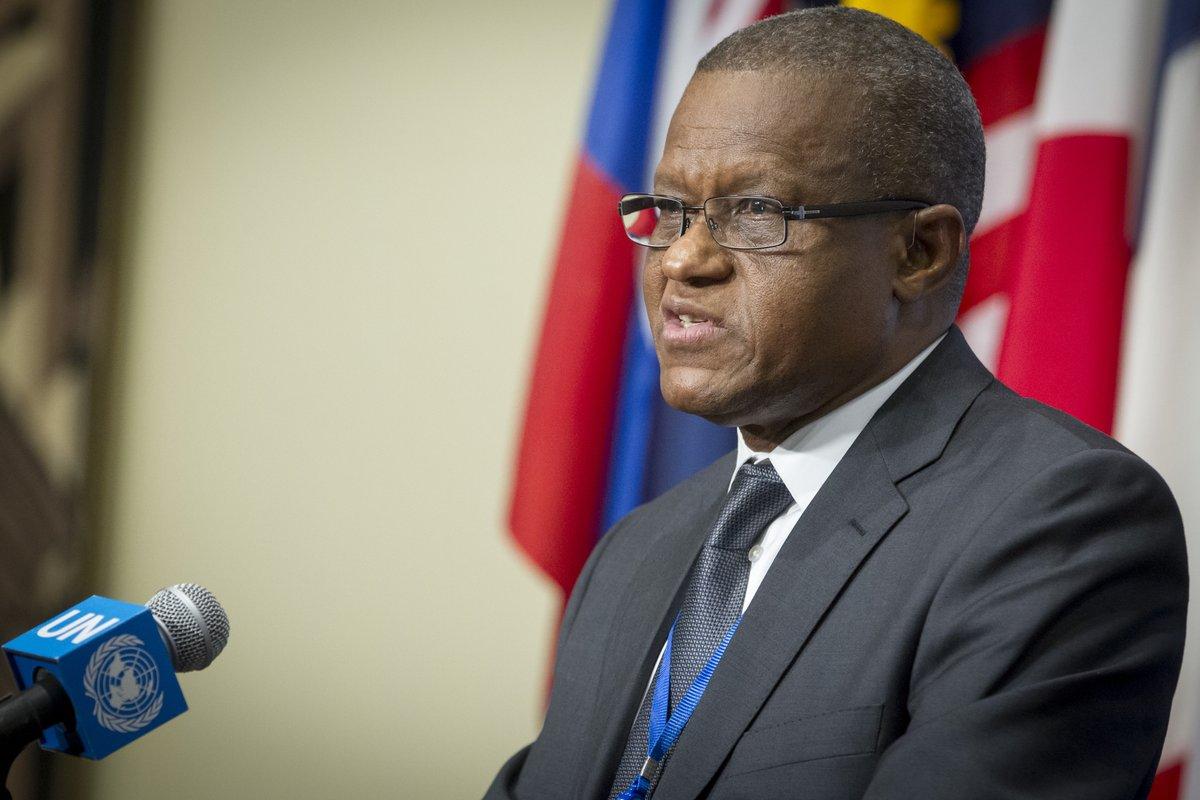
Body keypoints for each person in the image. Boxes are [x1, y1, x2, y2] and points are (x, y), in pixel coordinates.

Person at [485, 8, 1187, 800]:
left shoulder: (1058, 522)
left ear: (919, 252)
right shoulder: (636, 549)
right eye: (670, 209)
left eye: (755, 212)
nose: (682, 259)